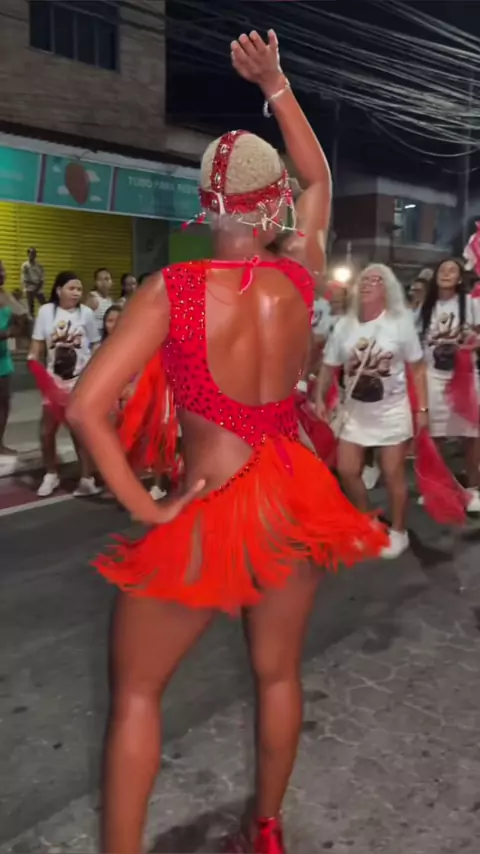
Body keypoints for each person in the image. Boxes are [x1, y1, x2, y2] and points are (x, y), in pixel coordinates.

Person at [67, 30, 387, 854]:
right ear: (273, 204)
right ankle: (266, 831)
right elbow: (320, 178)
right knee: (277, 674)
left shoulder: (171, 291)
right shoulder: (300, 270)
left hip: (211, 515)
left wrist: (151, 510)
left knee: (137, 697)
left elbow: (86, 410)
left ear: (205, 204)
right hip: (292, 502)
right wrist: (276, 85)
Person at [317, 264, 428, 558]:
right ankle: (367, 521)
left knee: (392, 473)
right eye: (364, 279)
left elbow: (417, 368)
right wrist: (319, 398)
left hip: (391, 410)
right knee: (347, 470)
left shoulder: (400, 323)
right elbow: (329, 366)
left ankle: (399, 531)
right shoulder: (345, 325)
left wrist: (422, 408)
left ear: (387, 289)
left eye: (375, 280)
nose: (367, 283)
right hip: (355, 411)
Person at [29, 271, 102, 498]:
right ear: (59, 289)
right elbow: (36, 346)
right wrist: (33, 360)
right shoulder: (46, 312)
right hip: (54, 382)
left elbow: (96, 345)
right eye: (72, 288)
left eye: (79, 289)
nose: (76, 293)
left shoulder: (86, 313)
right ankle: (51, 474)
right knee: (46, 431)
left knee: (78, 432)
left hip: (80, 381)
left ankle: (87, 478)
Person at [420, 257, 480, 511]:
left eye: (452, 270)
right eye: (441, 270)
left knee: (470, 435)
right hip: (433, 376)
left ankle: (474, 489)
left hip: (463, 377)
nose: (445, 273)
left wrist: (471, 343)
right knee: (435, 437)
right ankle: (436, 487)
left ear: (459, 278)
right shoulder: (425, 307)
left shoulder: (470, 303)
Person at [0, 261, 26, 456]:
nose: (3, 273)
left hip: (2, 358)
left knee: (3, 403)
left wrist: (11, 330)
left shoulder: (6, 296)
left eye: (3, 269)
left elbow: (22, 319)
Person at [87, 268, 113, 337]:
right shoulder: (93, 298)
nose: (104, 282)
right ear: (95, 282)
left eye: (107, 279)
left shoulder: (110, 300)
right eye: (100, 279)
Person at [21, 247, 45, 317]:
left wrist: (37, 287)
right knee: (30, 306)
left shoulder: (39, 266)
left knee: (44, 304)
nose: (32, 255)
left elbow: (42, 278)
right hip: (29, 288)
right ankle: (31, 319)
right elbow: (25, 279)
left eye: (34, 253)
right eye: (31, 253)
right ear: (28, 254)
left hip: (38, 288)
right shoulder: (25, 266)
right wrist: (33, 285)